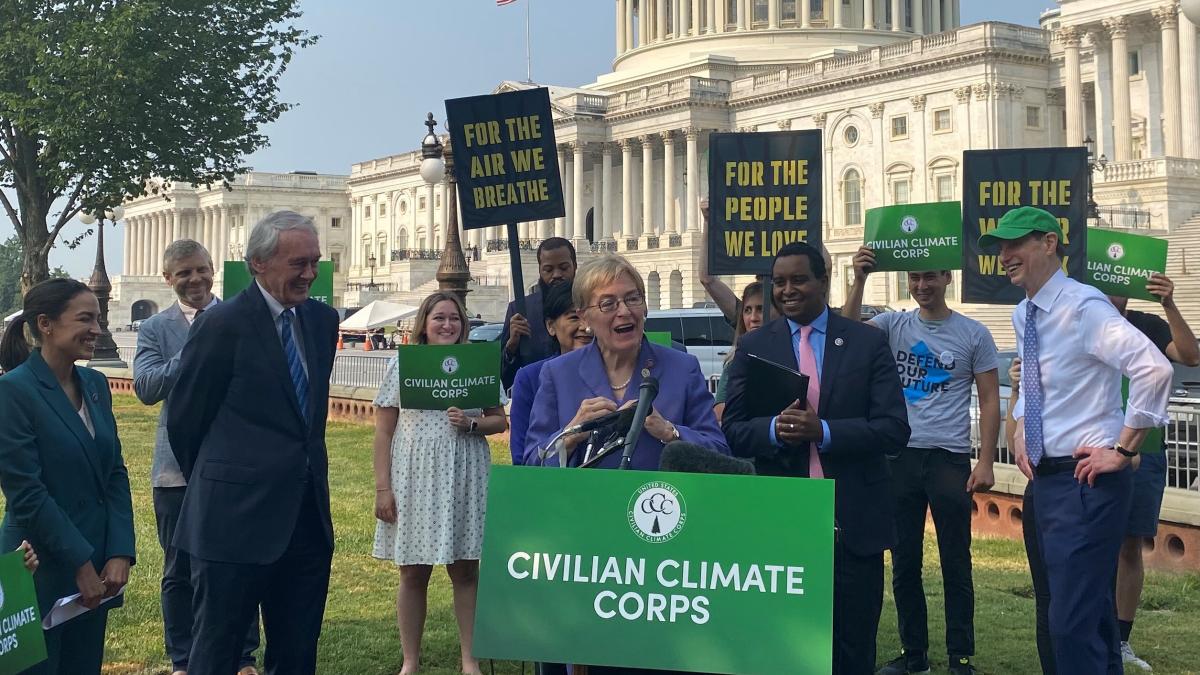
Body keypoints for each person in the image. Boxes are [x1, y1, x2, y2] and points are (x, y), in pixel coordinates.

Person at [979, 206, 1172, 674]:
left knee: (1072, 622)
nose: (1005, 255)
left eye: (1016, 243)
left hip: (1085, 481)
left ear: (1049, 243)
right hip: (1046, 481)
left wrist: (1124, 450)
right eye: (1001, 246)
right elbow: (1041, 380)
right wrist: (1024, 425)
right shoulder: (1026, 311)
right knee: (1069, 617)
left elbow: (1155, 369)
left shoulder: (1084, 306)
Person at [722, 241, 910, 675]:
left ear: (823, 280)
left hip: (852, 519)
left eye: (799, 280)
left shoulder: (866, 342)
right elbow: (732, 429)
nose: (788, 290)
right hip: (780, 518)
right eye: (780, 282)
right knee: (784, 643)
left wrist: (822, 432)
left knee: (852, 645)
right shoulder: (755, 346)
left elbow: (894, 429)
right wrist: (774, 429)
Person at [167, 210, 339, 675]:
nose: (309, 274)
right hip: (232, 523)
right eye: (298, 263)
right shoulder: (222, 324)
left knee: (298, 652)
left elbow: (308, 420)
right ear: (259, 264)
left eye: (315, 263)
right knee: (218, 650)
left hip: (305, 520)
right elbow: (186, 420)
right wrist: (224, 480)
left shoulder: (323, 321)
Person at [841, 248, 1000, 675]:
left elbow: (988, 399)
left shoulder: (973, 333)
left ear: (947, 277)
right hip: (899, 457)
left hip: (947, 458)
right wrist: (859, 280)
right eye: (914, 278)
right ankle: (915, 656)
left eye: (930, 277)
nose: (922, 286)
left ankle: (960, 656)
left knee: (956, 561)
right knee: (904, 561)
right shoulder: (894, 324)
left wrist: (985, 461)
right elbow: (846, 330)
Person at [132, 239, 261, 675]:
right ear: (168, 279)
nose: (195, 279)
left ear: (213, 270)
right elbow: (147, 388)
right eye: (184, 273)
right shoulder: (155, 329)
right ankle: (183, 659)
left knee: (240, 561)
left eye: (201, 270)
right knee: (179, 569)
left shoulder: (243, 318)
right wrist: (196, 350)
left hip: (234, 465)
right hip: (175, 472)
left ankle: (242, 656)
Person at [0, 278, 136, 674]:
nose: (98, 328)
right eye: (85, 319)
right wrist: (81, 565)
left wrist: (119, 552)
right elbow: (27, 493)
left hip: (97, 570)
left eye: (99, 318)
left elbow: (113, 472)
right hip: (37, 567)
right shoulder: (13, 392)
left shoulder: (95, 384)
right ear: (46, 324)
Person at [372, 291, 507, 675]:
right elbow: (383, 431)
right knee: (413, 570)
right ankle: (410, 661)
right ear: (424, 325)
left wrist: (472, 423)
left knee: (466, 570)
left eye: (454, 318)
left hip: (464, 469)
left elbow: (499, 419)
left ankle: (470, 660)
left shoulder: (477, 364)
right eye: (439, 318)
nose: (447, 325)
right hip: (415, 471)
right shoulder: (403, 365)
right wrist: (383, 487)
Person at [526, 254, 729, 470]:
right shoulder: (558, 374)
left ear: (644, 308)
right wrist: (570, 435)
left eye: (632, 299)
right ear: (584, 317)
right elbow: (531, 463)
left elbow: (719, 453)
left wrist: (671, 432)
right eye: (608, 304)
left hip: (660, 500)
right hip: (582, 502)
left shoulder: (682, 368)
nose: (624, 311)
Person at [1108, 274, 1200, 670]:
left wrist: (1169, 304)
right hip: (1092, 447)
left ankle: (1120, 639)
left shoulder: (1147, 324)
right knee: (1093, 546)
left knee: (1130, 546)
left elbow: (1190, 355)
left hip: (1145, 449)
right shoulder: (1076, 320)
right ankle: (1091, 632)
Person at [509, 281, 593, 465]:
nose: (586, 327)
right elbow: (521, 456)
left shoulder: (615, 370)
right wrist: (570, 436)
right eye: (573, 318)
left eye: (589, 317)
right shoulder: (531, 377)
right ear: (551, 326)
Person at [499, 237, 578, 390]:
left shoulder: (589, 305)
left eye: (563, 268)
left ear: (574, 266)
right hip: (534, 396)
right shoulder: (520, 310)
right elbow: (502, 380)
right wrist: (511, 347)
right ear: (540, 270)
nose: (556, 275)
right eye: (548, 270)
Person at [712, 281, 764, 423]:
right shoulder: (734, 360)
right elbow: (719, 411)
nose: (753, 318)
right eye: (747, 310)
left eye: (760, 309)